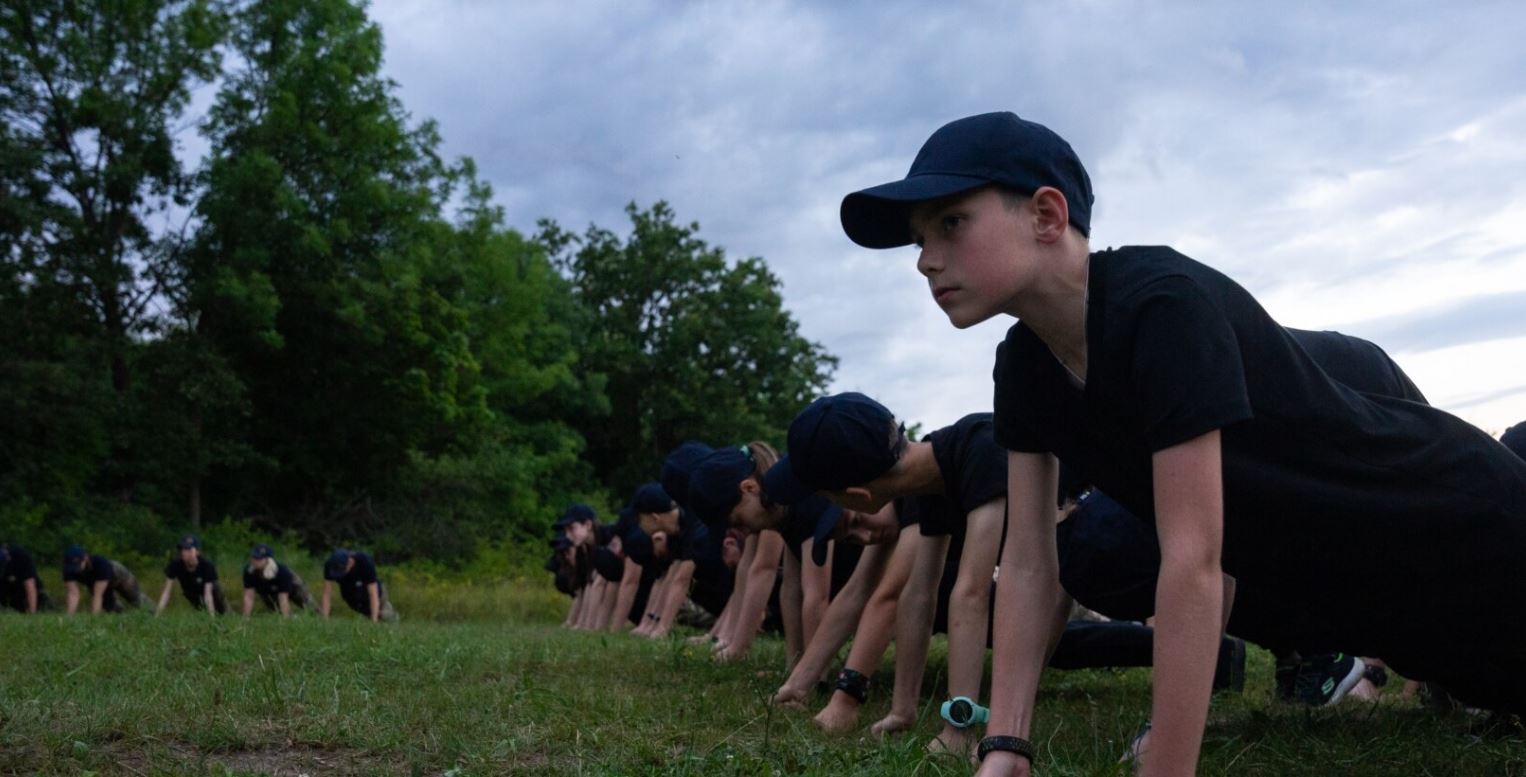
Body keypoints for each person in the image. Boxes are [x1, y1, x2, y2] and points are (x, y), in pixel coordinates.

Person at [837, 110, 1526, 776]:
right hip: (1353, 588)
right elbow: (1025, 563)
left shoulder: (1160, 305)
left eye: (950, 224)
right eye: (920, 238)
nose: (925, 260)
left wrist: (1168, 761)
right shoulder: (1023, 364)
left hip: (1458, 523)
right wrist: (1005, 741)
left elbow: (1195, 558)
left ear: (1047, 215)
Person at [62, 545, 152, 614]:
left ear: (85, 558)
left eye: (78, 565)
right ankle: (124, 619)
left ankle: (156, 614)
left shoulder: (100, 564)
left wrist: (94, 619)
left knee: (135, 598)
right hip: (95, 582)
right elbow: (73, 594)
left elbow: (98, 595)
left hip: (118, 575)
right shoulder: (68, 570)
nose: (75, 570)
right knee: (110, 606)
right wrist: (70, 616)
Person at [154, 534, 227, 617]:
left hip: (212, 592)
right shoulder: (175, 564)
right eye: (182, 549)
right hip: (192, 593)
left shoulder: (207, 566)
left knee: (222, 610)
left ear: (197, 552)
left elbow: (208, 594)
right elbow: (166, 592)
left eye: (188, 549)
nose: (184, 552)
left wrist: (212, 618)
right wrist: (157, 615)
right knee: (201, 611)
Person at [321, 548, 397, 623]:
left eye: (342, 570)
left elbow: (373, 594)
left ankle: (392, 616)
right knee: (370, 615)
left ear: (350, 562)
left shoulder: (364, 561)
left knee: (382, 616)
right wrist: (325, 619)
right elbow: (326, 594)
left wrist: (374, 622)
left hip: (377, 594)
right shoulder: (330, 565)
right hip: (355, 599)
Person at [242, 543, 311, 617]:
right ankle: (292, 619)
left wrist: (286, 621)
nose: (255, 560)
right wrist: (245, 618)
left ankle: (321, 619)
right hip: (269, 590)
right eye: (253, 557)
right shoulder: (249, 571)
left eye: (259, 558)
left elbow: (283, 598)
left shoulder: (282, 571)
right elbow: (249, 596)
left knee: (309, 605)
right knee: (277, 611)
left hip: (293, 586)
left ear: (267, 560)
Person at [0, 543, 51, 613]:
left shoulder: (21, 557)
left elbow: (30, 584)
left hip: (22, 590)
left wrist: (32, 612)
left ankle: (35, 608)